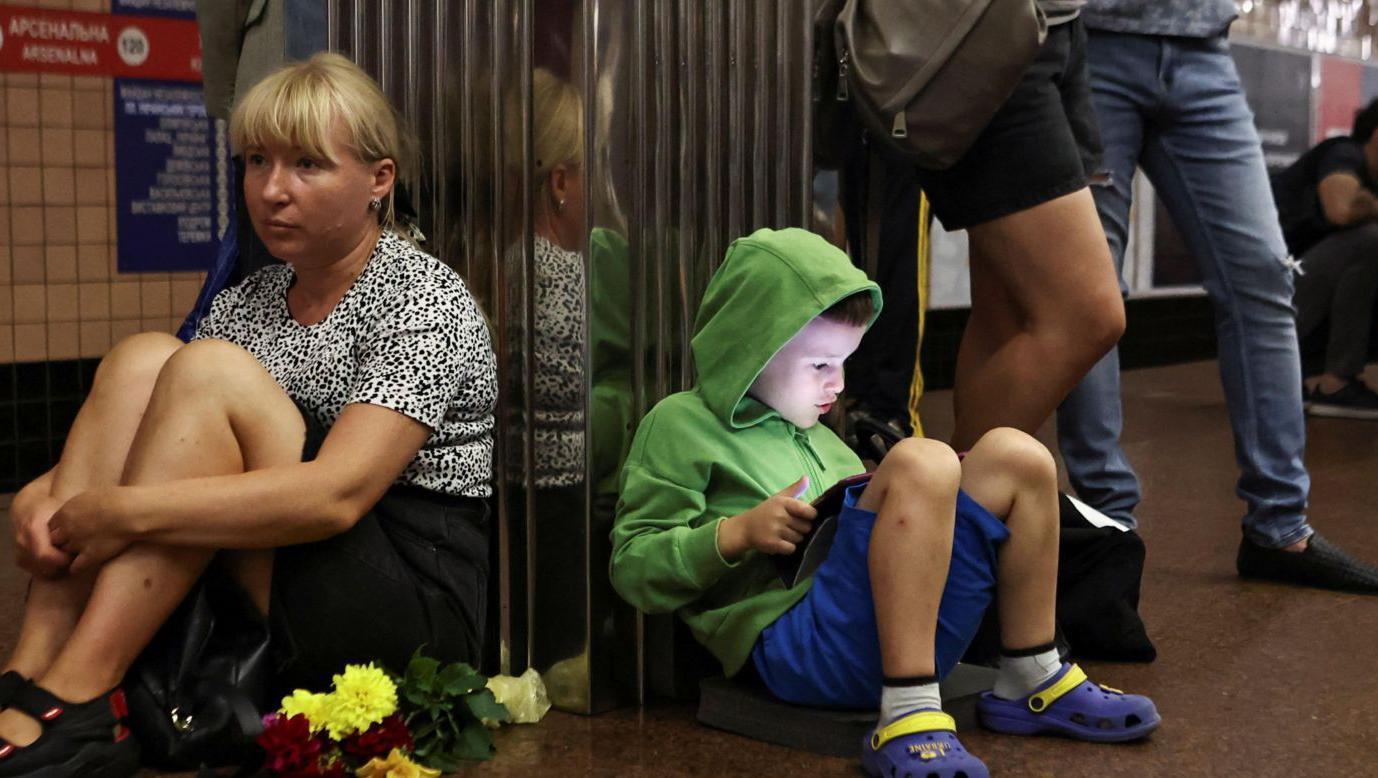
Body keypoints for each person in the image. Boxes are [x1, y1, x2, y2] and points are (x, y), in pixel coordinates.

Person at [0, 52, 498, 776]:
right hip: (275, 568)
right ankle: (34, 671)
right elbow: (156, 428)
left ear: (378, 181)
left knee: (205, 370)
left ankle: (82, 693)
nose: (271, 190)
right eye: (257, 160)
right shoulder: (251, 300)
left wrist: (123, 512)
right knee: (145, 359)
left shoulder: (424, 298)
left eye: (307, 166)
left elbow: (336, 497)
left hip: (401, 593)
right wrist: (52, 494)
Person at [610, 228, 1159, 778]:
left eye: (845, 363)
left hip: (896, 631)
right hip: (800, 646)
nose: (837, 383)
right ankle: (906, 710)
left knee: (1018, 455)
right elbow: (634, 568)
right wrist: (735, 534)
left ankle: (1031, 673)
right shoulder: (682, 424)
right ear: (753, 350)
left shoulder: (823, 437)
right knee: (922, 460)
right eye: (820, 364)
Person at [1054, 0, 1378, 591]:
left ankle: (1280, 527)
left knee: (1263, 277)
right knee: (1094, 287)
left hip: (1205, 49)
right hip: (1092, 40)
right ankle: (1111, 527)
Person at [903, 0, 1126, 451]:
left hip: (1061, 25)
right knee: (1088, 315)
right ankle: (954, 506)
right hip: (981, 26)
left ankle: (970, 507)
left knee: (1005, 317)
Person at [1274, 99, 1378, 419]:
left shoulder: (1371, 181)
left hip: (1298, 284)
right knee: (1371, 240)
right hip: (1271, 289)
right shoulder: (1344, 153)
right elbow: (1343, 208)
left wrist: (1371, 205)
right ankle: (1335, 382)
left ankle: (1315, 375)